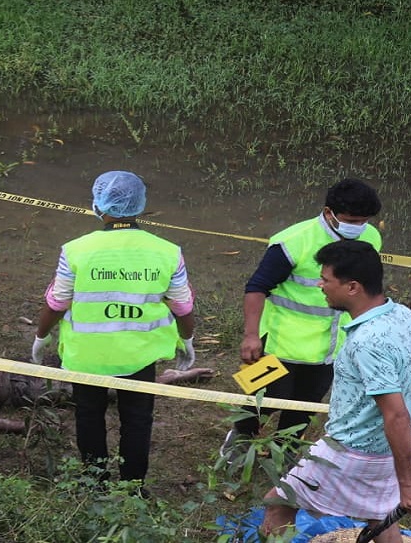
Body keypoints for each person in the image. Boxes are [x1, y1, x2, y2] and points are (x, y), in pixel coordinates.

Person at [30, 171, 196, 485]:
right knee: (137, 420)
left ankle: (96, 483)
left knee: (89, 415)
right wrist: (187, 339)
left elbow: (57, 302)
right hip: (139, 354)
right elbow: (183, 306)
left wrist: (42, 336)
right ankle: (133, 486)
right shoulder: (168, 251)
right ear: (140, 205)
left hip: (87, 353)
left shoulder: (76, 249)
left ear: (98, 205)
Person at [261, 240, 411, 543]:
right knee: (381, 517)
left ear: (352, 287)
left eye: (326, 280)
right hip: (392, 451)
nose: (319, 285)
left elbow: (395, 414)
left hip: (351, 452)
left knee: (278, 502)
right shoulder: (405, 317)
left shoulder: (368, 341)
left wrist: (408, 485)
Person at [222, 178, 383, 464]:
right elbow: (257, 287)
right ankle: (239, 442)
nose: (359, 227)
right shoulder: (292, 241)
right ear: (328, 212)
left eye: (364, 221)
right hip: (277, 344)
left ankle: (284, 455)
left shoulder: (371, 238)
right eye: (351, 220)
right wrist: (249, 335)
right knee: (259, 400)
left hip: (329, 348)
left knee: (305, 407)